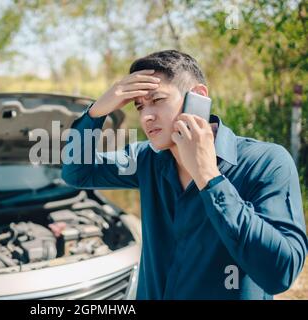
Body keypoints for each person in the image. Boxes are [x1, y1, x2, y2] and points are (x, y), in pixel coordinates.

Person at [61, 50, 307, 299]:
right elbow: (78, 173)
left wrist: (209, 178)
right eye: (140, 106)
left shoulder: (266, 162)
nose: (146, 116)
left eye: (157, 100)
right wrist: (96, 114)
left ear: (198, 98)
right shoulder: (146, 158)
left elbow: (280, 274)